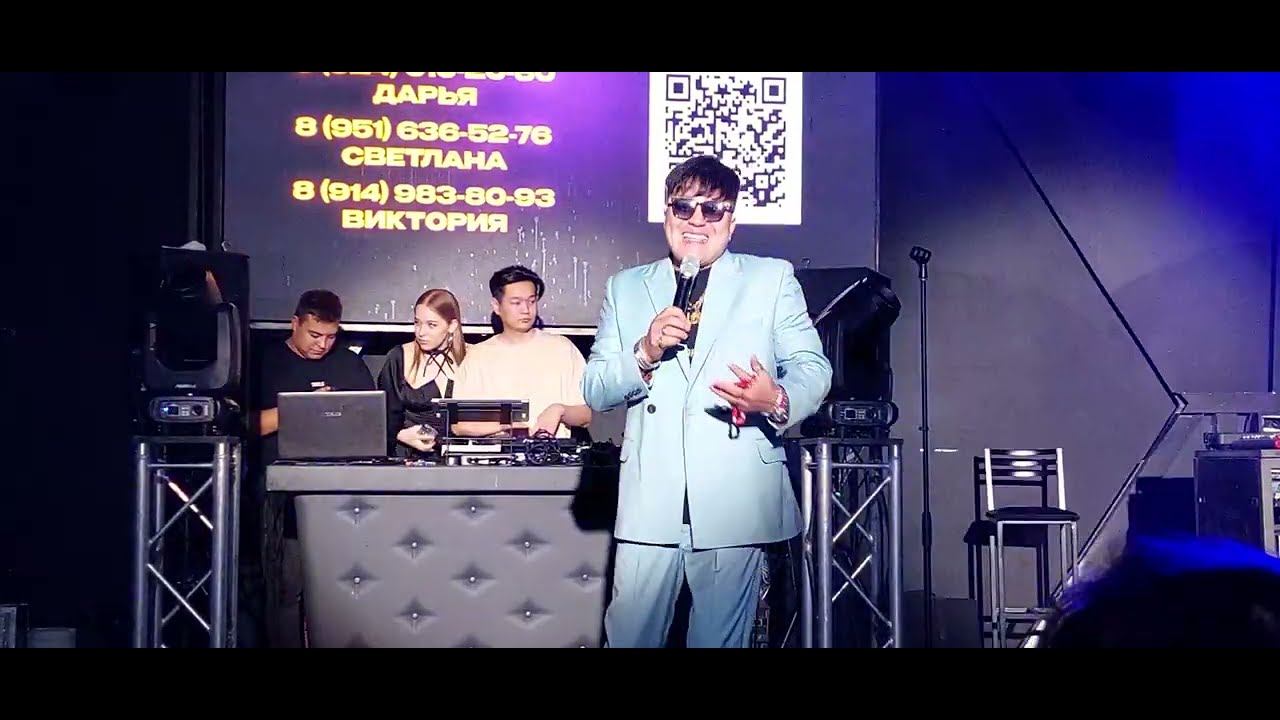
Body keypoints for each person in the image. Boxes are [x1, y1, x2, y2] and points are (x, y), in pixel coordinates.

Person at [581, 155, 832, 648]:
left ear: (731, 222)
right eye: (684, 207)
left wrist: (775, 397)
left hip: (734, 493)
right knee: (629, 636)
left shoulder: (770, 279)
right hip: (652, 497)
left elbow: (813, 367)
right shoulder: (626, 287)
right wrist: (645, 350)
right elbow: (595, 389)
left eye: (712, 210)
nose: (697, 220)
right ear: (667, 215)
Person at [254, 289, 374, 648]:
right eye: (314, 334)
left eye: (331, 336)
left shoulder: (349, 365)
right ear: (295, 323)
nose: (322, 345)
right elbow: (245, 425)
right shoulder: (265, 363)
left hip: (340, 494)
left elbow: (372, 424)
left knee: (344, 589)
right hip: (280, 497)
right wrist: (304, 409)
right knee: (286, 587)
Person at [451, 265, 591, 439]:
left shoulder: (562, 348)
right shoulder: (478, 356)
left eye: (531, 301)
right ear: (496, 306)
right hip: (498, 454)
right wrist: (507, 424)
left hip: (553, 454)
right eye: (516, 303)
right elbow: (458, 424)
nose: (526, 309)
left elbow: (587, 415)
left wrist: (559, 411)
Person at [376, 288, 466, 457]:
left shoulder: (471, 359)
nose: (421, 332)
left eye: (432, 325)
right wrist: (401, 435)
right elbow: (381, 418)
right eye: (417, 323)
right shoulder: (399, 357)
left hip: (458, 460)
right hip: (406, 458)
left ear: (452, 326)